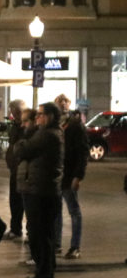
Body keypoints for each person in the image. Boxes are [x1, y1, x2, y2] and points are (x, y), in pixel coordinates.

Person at [15, 102, 64, 278]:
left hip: (39, 191)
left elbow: (21, 150)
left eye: (41, 115)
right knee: (45, 234)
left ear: (51, 116)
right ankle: (46, 273)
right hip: (43, 189)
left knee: (38, 235)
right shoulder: (53, 133)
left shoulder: (46, 135)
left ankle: (42, 275)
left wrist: (24, 136)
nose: (37, 118)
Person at [54, 93, 87, 259]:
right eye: (59, 102)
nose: (62, 105)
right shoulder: (55, 125)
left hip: (68, 175)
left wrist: (78, 176)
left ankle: (75, 246)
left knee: (74, 211)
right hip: (57, 176)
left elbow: (82, 152)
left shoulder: (75, 125)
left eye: (64, 102)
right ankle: (57, 244)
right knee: (56, 211)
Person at [4, 100, 27, 239]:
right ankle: (15, 227)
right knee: (14, 199)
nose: (11, 113)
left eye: (13, 111)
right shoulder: (16, 125)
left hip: (23, 169)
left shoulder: (26, 127)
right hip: (15, 169)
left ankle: (22, 229)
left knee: (22, 200)